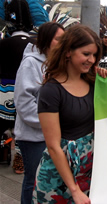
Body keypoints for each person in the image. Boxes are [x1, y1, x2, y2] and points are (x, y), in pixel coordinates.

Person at [32, 24, 107, 203]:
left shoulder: (94, 83)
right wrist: (74, 190)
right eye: (86, 54)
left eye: (95, 55)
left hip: (89, 172)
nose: (91, 59)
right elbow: (53, 146)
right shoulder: (51, 91)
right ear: (68, 52)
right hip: (58, 178)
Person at [14, 22, 65, 204]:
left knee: (46, 180)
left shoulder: (58, 62)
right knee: (33, 179)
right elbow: (23, 102)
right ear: (46, 40)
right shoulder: (30, 63)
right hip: (32, 136)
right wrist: (48, 123)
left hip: (52, 134)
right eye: (58, 39)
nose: (62, 42)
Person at [0, 0, 36, 175]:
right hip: (28, 91)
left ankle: (3, 149)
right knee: (23, 126)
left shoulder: (3, 44)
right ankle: (20, 160)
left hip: (3, 90)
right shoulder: (35, 46)